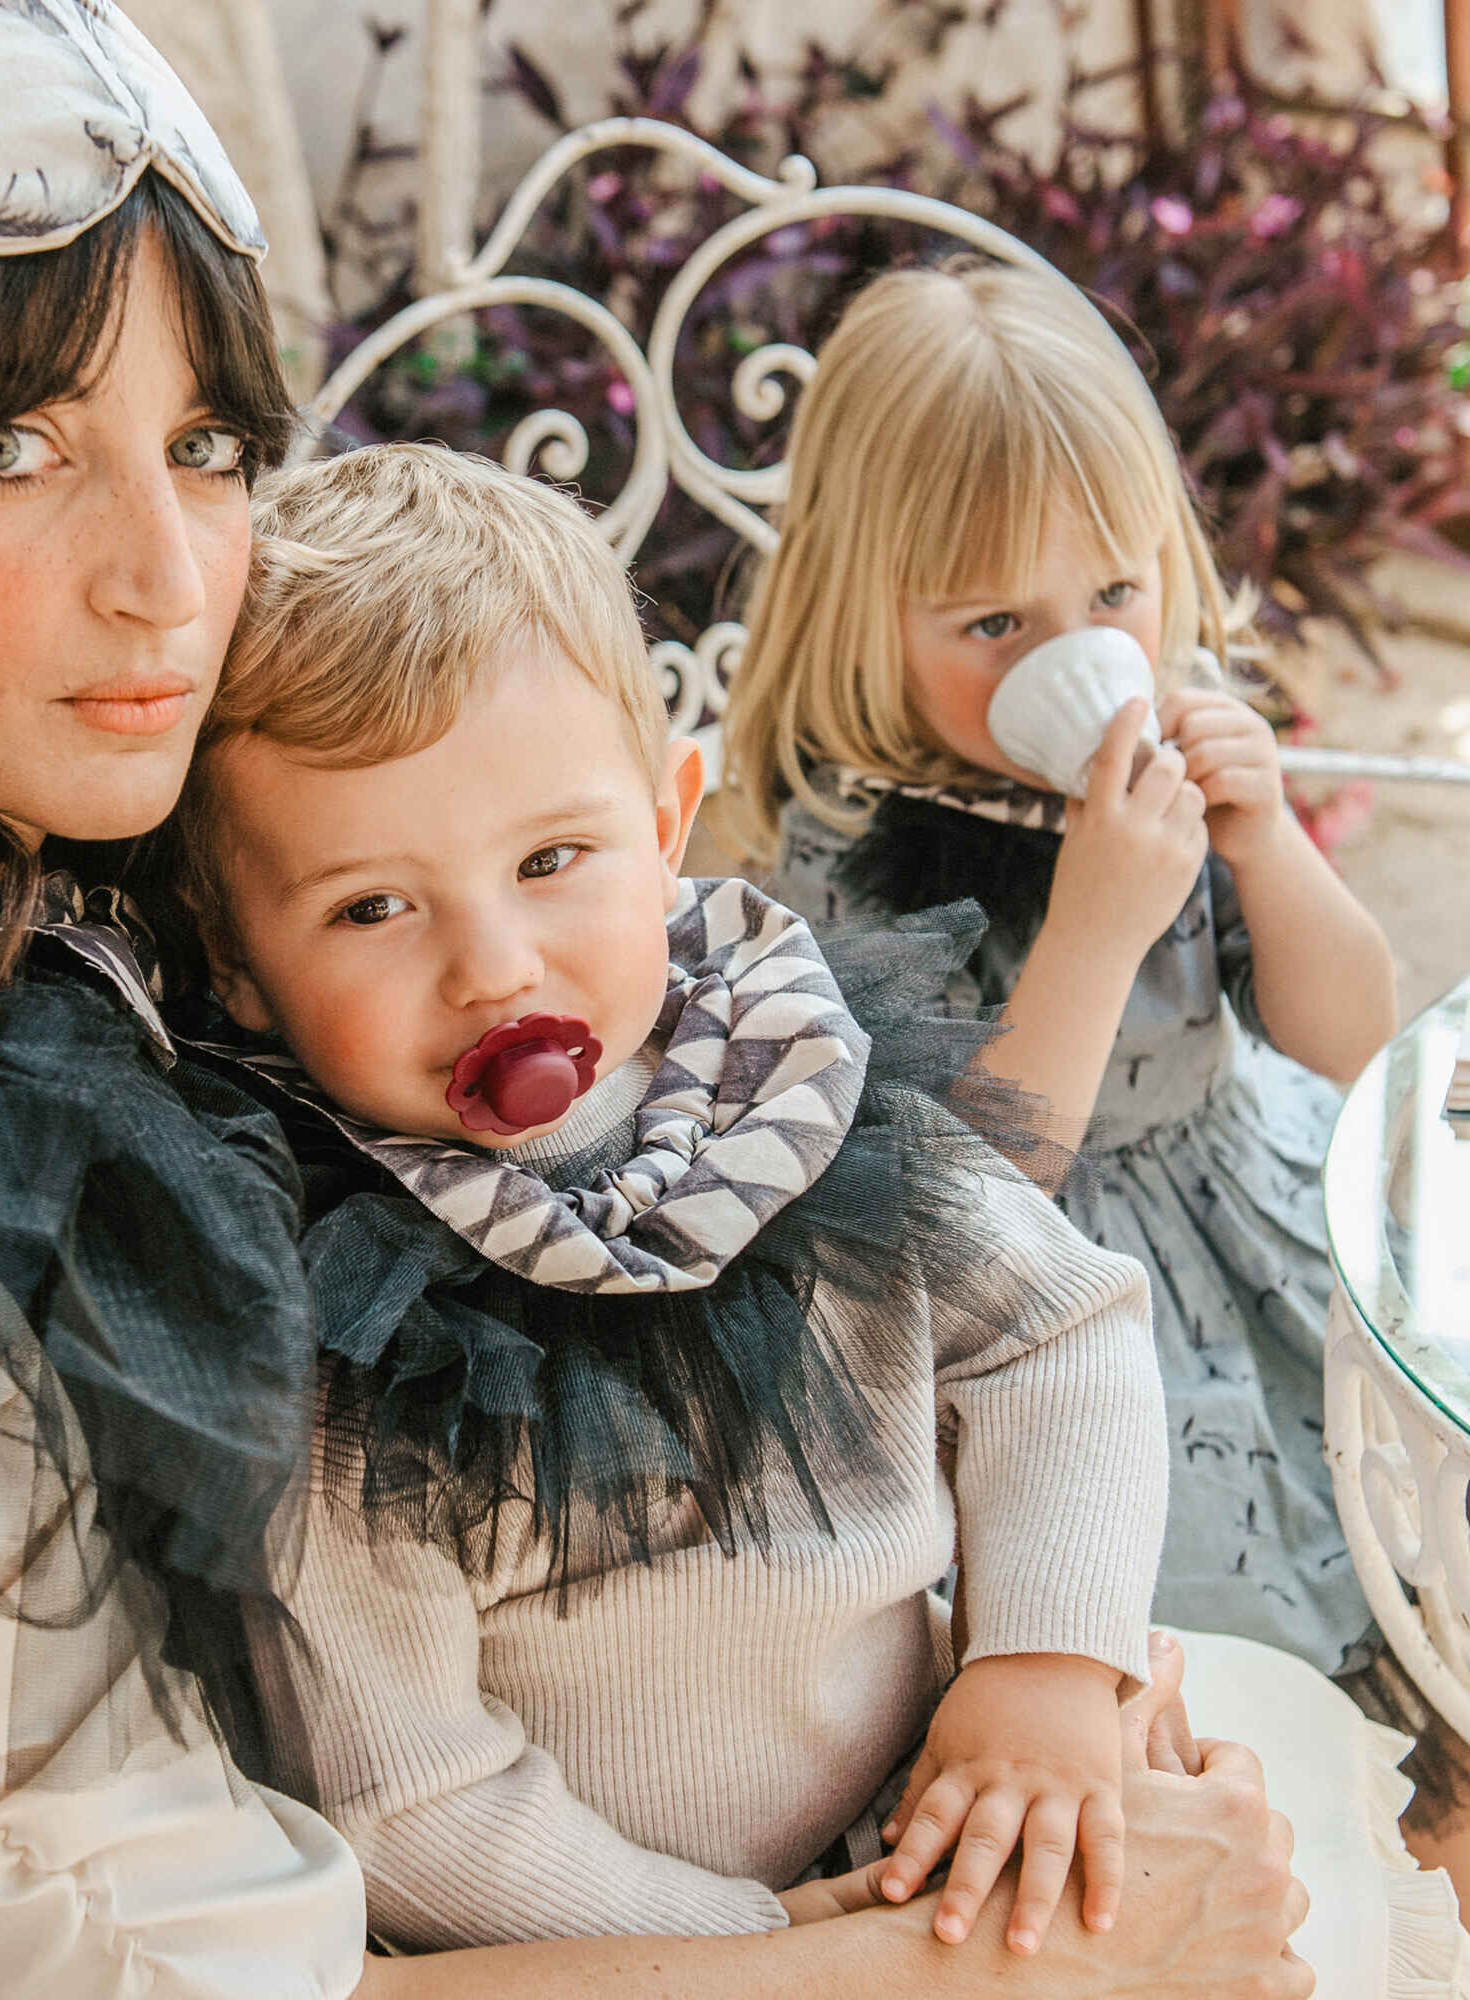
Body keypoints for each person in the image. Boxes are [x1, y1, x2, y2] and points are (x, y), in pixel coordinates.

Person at [0, 5, 1323, 1994]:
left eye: (207, 445)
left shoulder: (67, 827)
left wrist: (1041, 1687)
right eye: (5, 441)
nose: (167, 580)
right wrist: (1001, 1956)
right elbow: (224, 1961)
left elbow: (1020, 1334)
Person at [168, 440, 1175, 1960]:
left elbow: (1061, 1336)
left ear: (663, 828)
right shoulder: (324, 1316)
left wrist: (1041, 1664)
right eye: (372, 906)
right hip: (629, 1954)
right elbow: (408, 1798)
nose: (494, 964)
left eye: (552, 858)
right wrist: (758, 1951)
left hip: (927, 1813)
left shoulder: (795, 1091)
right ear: (234, 959)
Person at [719, 260, 1432, 1708]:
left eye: (1113, 592)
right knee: (1193, 1625)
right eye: (994, 625)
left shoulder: (1178, 730)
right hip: (1047, 1296)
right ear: (865, 612)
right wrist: (1097, 931)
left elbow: (1353, 1037)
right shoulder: (850, 848)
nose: (1076, 651)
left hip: (1245, 1195)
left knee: (1399, 1475)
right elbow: (974, 1196)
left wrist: (1269, 843)